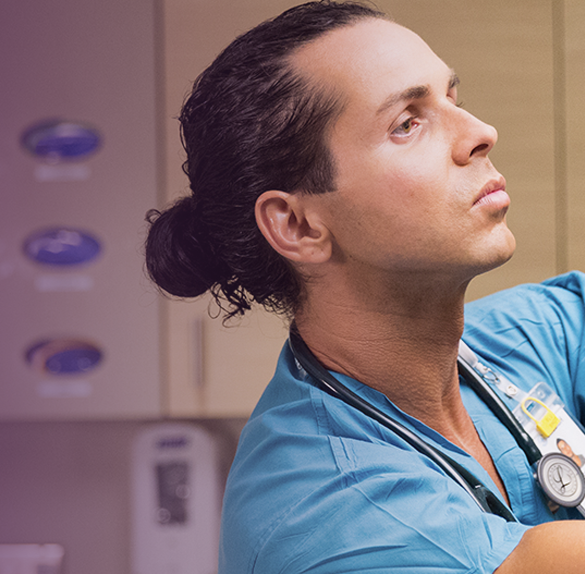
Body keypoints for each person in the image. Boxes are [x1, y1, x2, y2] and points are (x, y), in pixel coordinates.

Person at [145, 1, 585, 572]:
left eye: (452, 98)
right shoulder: (318, 515)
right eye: (407, 123)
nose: (481, 133)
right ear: (298, 225)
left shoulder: (519, 342)